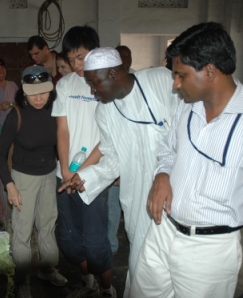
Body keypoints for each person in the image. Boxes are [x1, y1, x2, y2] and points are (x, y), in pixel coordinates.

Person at [130, 22, 243, 298]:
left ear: (209, 71)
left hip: (209, 252)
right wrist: (162, 175)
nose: (175, 84)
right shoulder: (188, 108)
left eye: (181, 75)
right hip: (162, 232)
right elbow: (168, 150)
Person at [61, 47, 180, 297]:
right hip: (139, 200)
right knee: (143, 271)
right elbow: (111, 156)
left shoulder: (160, 80)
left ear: (113, 74)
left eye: (94, 83)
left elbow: (187, 124)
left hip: (179, 191)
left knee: (180, 269)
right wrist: (87, 177)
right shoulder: (105, 112)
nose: (92, 91)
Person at [52, 26, 116, 298]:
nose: (77, 64)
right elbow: (62, 130)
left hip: (95, 175)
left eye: (82, 57)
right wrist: (66, 170)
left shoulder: (106, 84)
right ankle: (87, 281)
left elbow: (109, 137)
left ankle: (106, 288)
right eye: (71, 58)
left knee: (95, 241)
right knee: (68, 236)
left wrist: (83, 172)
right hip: (66, 173)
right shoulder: (65, 85)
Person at [0, 65, 67, 298]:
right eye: (33, 92)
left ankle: (48, 269)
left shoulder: (56, 111)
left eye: (44, 92)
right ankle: (22, 278)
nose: (39, 98)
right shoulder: (15, 115)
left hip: (48, 174)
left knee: (47, 225)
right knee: (23, 229)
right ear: (24, 91)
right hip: (23, 178)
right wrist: (10, 185)